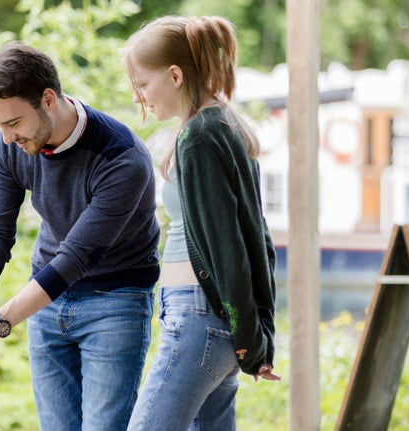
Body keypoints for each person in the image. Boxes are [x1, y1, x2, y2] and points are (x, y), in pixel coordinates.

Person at [0, 41, 161, 431]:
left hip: (115, 302)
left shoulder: (122, 158)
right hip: (46, 303)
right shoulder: (9, 145)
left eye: (13, 123)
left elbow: (76, 258)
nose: (5, 138)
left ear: (48, 99)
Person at [121, 16, 280, 431]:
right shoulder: (218, 123)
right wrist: (254, 332)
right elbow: (255, 238)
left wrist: (252, 339)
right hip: (208, 318)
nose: (139, 96)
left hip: (199, 316)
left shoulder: (201, 136)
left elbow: (231, 250)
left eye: (142, 83)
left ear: (174, 75)